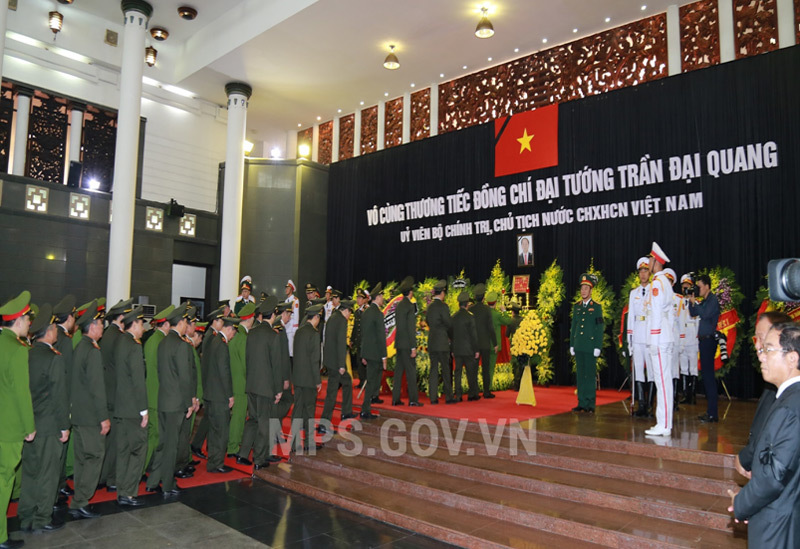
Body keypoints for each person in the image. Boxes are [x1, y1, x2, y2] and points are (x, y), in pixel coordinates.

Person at [730, 322, 800, 547]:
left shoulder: (790, 407)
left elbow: (773, 477)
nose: (761, 356)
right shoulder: (788, 399)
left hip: (778, 525)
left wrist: (740, 503)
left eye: (768, 349)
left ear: (792, 358)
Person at [19, 303, 65, 534]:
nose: (57, 332)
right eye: (55, 328)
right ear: (48, 332)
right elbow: (58, 397)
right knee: (48, 473)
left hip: (29, 423)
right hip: (49, 425)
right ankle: (41, 518)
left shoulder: (26, 354)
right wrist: (64, 427)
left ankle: (26, 514)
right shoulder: (53, 358)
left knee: (30, 471)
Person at [733, 311, 792, 480]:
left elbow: (767, 432)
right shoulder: (773, 382)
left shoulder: (788, 391)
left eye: (762, 339)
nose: (758, 346)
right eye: (755, 339)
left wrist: (747, 458)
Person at [146, 304, 195, 495]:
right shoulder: (181, 345)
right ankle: (167, 484)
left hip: (164, 400)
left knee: (164, 443)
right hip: (176, 403)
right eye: (186, 322)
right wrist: (188, 403)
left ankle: (152, 481)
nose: (186, 326)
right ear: (181, 323)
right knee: (171, 447)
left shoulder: (162, 342)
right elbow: (184, 378)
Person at [0, 291, 35, 549]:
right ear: (19, 321)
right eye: (28, 319)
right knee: (4, 481)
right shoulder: (17, 349)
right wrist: (29, 427)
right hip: (10, 427)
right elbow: (22, 393)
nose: (30, 324)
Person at [69, 300, 109, 519]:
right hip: (91, 416)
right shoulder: (92, 351)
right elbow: (96, 388)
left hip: (79, 413)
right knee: (94, 456)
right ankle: (81, 500)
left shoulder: (79, 347)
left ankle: (78, 499)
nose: (102, 328)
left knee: (82, 458)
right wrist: (103, 417)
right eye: (101, 324)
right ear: (92, 326)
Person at [240, 297, 281, 470]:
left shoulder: (252, 333)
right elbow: (276, 365)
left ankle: (244, 453)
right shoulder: (273, 336)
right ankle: (259, 458)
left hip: (251, 385)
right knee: (264, 423)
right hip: (265, 387)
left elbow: (247, 359)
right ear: (275, 314)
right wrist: (278, 390)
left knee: (253, 420)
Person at [113, 306, 148, 507]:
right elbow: (137, 381)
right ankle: (128, 492)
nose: (143, 328)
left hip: (120, 406)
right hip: (133, 408)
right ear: (134, 324)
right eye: (141, 324)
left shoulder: (120, 342)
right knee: (138, 449)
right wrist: (143, 410)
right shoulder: (134, 346)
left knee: (123, 450)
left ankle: (121, 489)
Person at [97, 298, 133, 493]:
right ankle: (112, 478)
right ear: (121, 317)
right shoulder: (120, 338)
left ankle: (102, 476)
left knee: (108, 439)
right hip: (117, 395)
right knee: (117, 440)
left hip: (107, 393)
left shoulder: (106, 336)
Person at [643, 242, 676, 436]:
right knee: (663, 382)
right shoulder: (664, 282)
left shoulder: (657, 282)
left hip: (660, 339)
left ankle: (664, 424)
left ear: (656, 261)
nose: (648, 262)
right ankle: (664, 423)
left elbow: (656, 312)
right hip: (665, 336)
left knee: (662, 382)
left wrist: (653, 340)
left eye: (650, 259)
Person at [201, 313, 240, 473]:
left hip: (210, 393)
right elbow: (224, 373)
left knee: (214, 429)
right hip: (219, 396)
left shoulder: (212, 340)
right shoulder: (222, 345)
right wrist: (230, 395)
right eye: (233, 333)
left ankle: (213, 460)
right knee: (221, 431)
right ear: (230, 329)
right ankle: (216, 463)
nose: (232, 337)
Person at [144, 304, 174, 471]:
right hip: (157, 396)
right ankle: (146, 468)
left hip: (152, 393)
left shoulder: (152, 340)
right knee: (155, 436)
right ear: (167, 324)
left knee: (154, 434)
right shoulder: (160, 342)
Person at [291, 304, 324, 453]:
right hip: (309, 380)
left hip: (297, 378)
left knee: (297, 411)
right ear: (316, 317)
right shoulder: (314, 334)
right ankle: (309, 443)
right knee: (309, 412)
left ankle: (294, 444)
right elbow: (314, 360)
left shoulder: (299, 332)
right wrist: (318, 380)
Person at [569, 273, 604, 413]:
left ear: (591, 291)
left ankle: (590, 403)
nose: (583, 291)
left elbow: (599, 328)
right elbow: (574, 327)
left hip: (590, 346)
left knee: (589, 375)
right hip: (579, 345)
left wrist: (598, 346)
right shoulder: (577, 307)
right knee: (580, 375)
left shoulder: (596, 307)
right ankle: (581, 402)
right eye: (582, 288)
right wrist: (572, 343)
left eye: (586, 288)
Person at [320, 299, 357, 431]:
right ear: (346, 310)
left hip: (329, 361)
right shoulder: (341, 321)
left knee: (347, 382)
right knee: (331, 393)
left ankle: (346, 412)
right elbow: (341, 344)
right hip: (337, 363)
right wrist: (342, 365)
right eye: (349, 314)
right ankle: (324, 424)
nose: (349, 316)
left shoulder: (332, 318)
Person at [689, 273, 721, 422]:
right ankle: (710, 412)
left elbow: (706, 315)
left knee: (709, 377)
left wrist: (696, 302)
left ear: (707, 286)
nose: (698, 289)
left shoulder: (713, 300)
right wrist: (691, 300)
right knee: (707, 377)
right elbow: (693, 313)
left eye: (700, 286)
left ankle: (713, 413)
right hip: (703, 341)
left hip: (709, 341)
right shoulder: (705, 300)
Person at [228, 303, 256, 463]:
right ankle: (233, 446)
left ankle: (232, 444)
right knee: (238, 417)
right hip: (242, 383)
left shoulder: (234, 336)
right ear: (250, 319)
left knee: (235, 416)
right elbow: (247, 364)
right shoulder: (244, 339)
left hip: (233, 381)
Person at [627, 257, 654, 418]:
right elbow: (631, 316)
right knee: (638, 371)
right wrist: (630, 339)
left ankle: (650, 406)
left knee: (651, 371)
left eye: (646, 271)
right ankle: (641, 405)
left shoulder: (654, 291)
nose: (643, 274)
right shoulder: (634, 293)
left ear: (650, 273)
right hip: (637, 334)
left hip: (650, 336)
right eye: (641, 271)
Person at [393, 277, 423, 407]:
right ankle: (413, 400)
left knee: (398, 372)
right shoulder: (410, 306)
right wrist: (413, 346)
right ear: (410, 292)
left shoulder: (399, 305)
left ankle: (395, 399)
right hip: (407, 344)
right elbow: (411, 329)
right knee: (411, 372)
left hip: (399, 343)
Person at [359, 283, 387, 419]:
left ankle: (367, 407)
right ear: (378, 297)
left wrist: (363, 354)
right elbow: (381, 337)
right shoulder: (378, 314)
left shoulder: (366, 312)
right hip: (376, 354)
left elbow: (363, 335)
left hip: (368, 353)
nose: (383, 299)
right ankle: (365, 409)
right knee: (371, 382)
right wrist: (384, 356)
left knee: (370, 381)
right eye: (382, 296)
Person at [426, 280, 454, 404]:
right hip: (442, 341)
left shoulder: (430, 307)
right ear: (442, 292)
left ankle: (433, 397)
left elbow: (427, 321)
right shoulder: (443, 306)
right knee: (445, 370)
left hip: (432, 341)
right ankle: (448, 397)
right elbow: (449, 323)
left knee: (433, 370)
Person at [470, 283, 497, 399]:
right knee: (485, 369)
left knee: (473, 369)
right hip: (485, 344)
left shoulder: (470, 309)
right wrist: (495, 343)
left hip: (474, 344)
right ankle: (486, 392)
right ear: (484, 297)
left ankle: (474, 392)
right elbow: (491, 328)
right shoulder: (487, 310)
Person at [452, 291, 479, 401]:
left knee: (457, 372)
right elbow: (474, 335)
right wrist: (476, 349)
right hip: (468, 349)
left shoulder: (454, 317)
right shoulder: (470, 317)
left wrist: (452, 348)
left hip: (457, 349)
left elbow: (451, 334)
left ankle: (458, 395)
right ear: (467, 304)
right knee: (471, 371)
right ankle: (472, 394)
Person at [677, 274, 699, 404]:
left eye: (688, 286)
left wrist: (697, 337)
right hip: (682, 337)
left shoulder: (696, 303)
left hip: (692, 336)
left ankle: (693, 395)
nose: (685, 288)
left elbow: (698, 321)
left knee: (693, 368)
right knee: (683, 367)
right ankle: (685, 394)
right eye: (683, 286)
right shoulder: (678, 302)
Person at [488, 291, 513, 390]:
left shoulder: (485, 313)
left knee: (485, 366)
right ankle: (488, 387)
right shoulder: (497, 315)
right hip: (494, 344)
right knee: (491, 367)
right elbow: (508, 321)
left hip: (484, 343)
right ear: (495, 303)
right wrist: (504, 311)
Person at [352, 288, 368, 388]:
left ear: (364, 299)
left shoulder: (366, 310)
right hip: (358, 341)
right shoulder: (357, 311)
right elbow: (355, 327)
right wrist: (352, 339)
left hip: (365, 341)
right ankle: (361, 381)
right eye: (357, 298)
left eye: (360, 298)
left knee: (364, 361)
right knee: (359, 362)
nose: (358, 300)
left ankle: (366, 381)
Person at [284, 280, 300, 358]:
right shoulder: (286, 301)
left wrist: (295, 328)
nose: (286, 289)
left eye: (288, 288)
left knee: (291, 351)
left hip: (291, 328)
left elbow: (296, 315)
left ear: (291, 289)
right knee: (286, 349)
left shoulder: (295, 300)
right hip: (286, 327)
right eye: (286, 288)